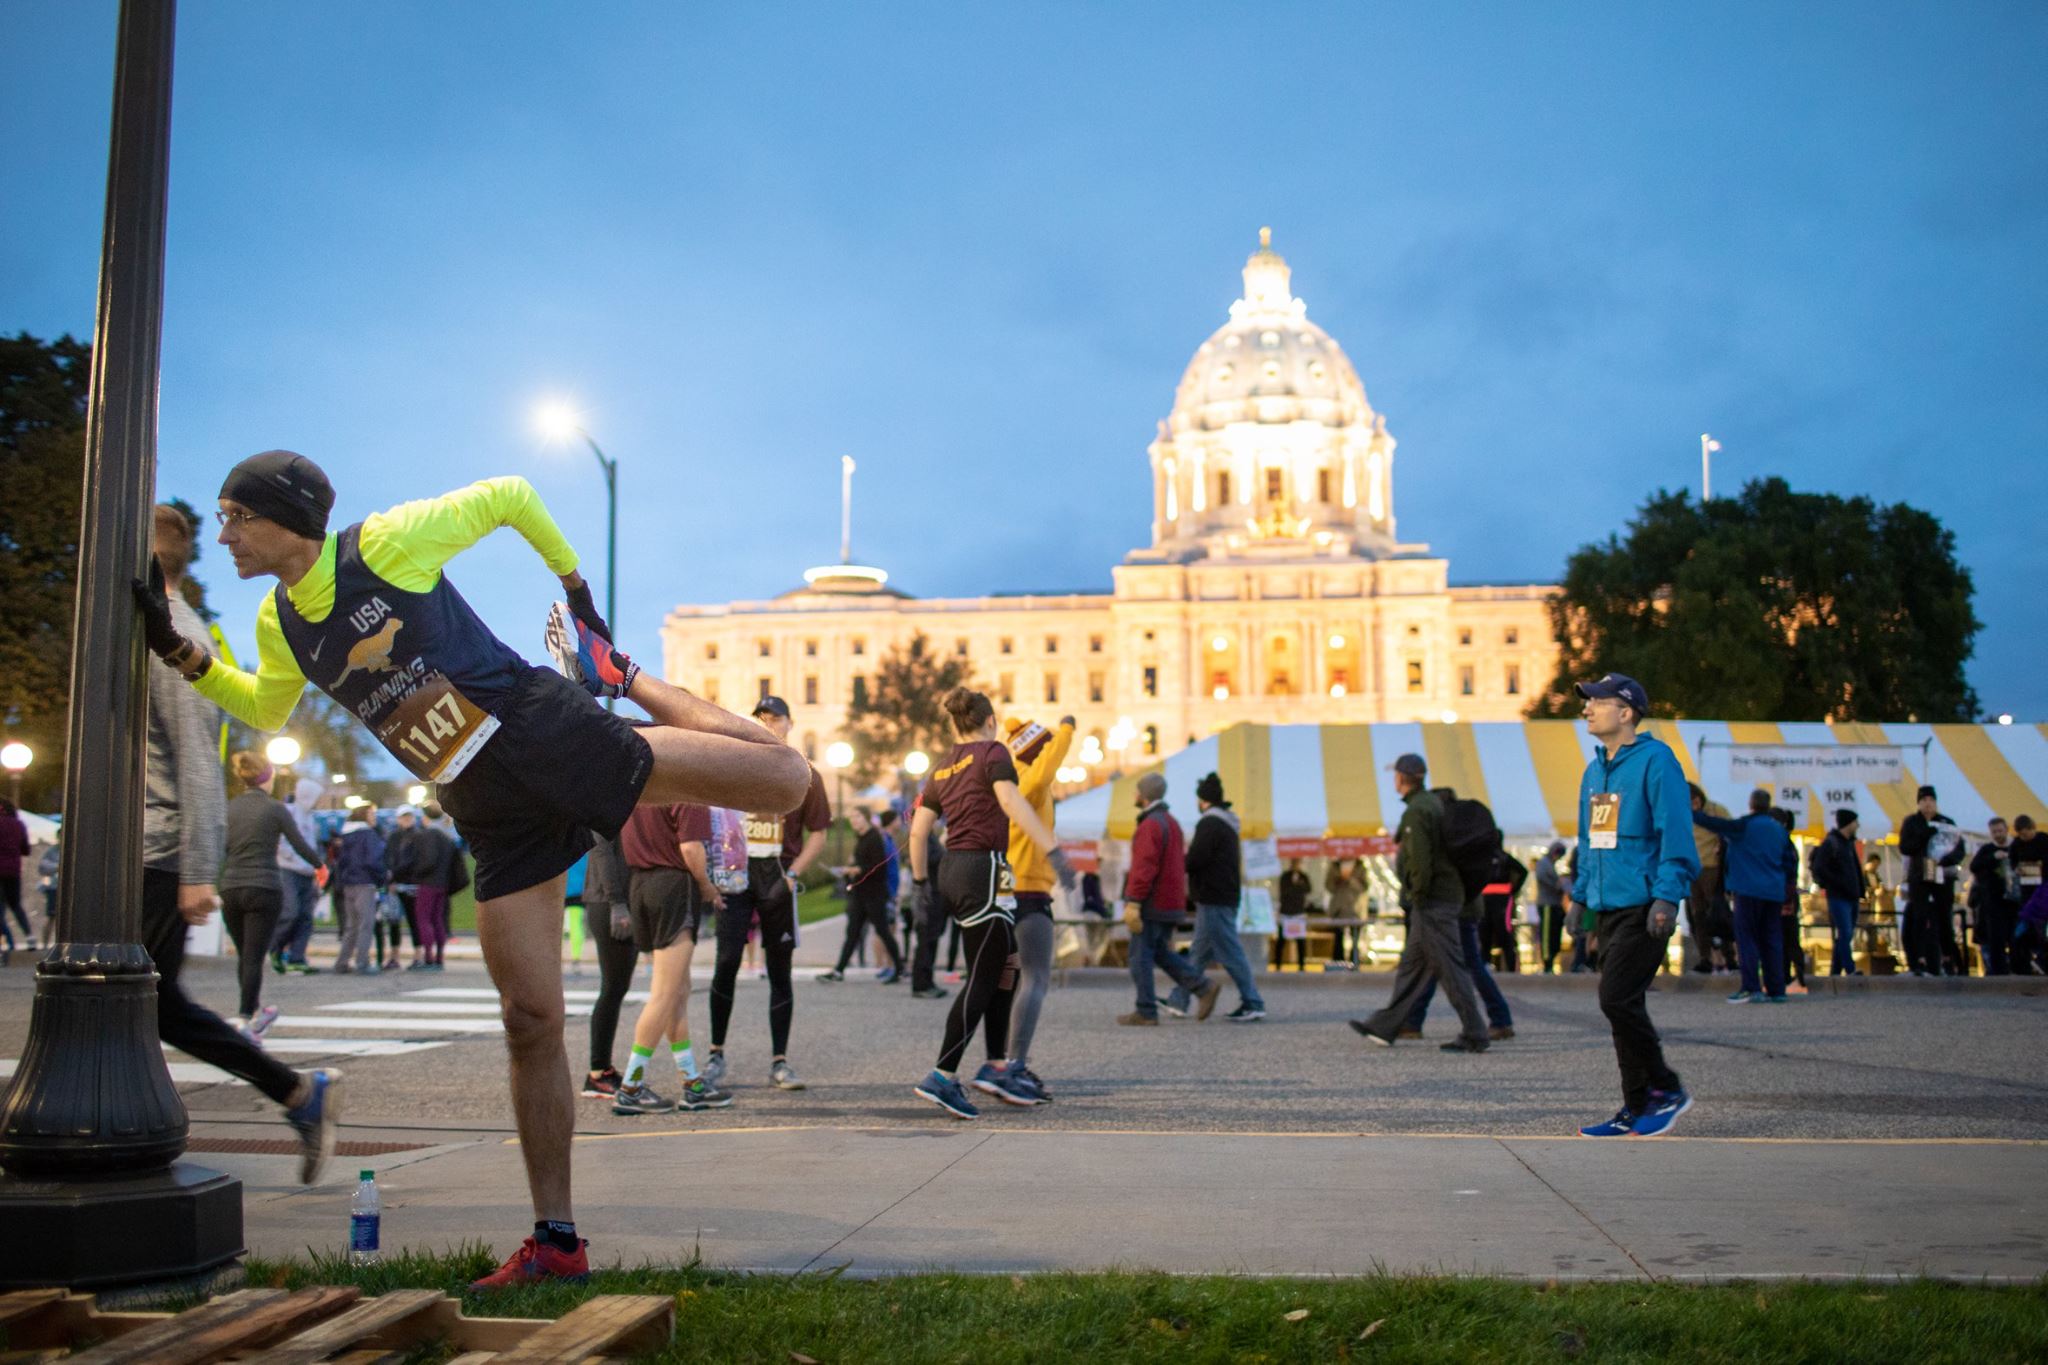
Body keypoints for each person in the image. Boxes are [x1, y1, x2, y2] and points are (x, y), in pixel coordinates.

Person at [137, 452, 809, 1288]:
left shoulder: (382, 545)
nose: (227, 534)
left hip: (540, 735)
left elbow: (509, 497)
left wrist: (576, 594)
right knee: (528, 1017)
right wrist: (185, 657)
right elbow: (265, 704)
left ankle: (620, 674)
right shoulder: (279, 622)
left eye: (238, 515)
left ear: (285, 516)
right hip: (481, 804)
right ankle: (556, 1241)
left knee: (786, 779)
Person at [137, 502, 341, 1183]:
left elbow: (197, 755)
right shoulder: (146, 627)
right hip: (135, 848)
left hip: (156, 849)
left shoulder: (173, 632)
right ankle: (292, 1093)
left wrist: (198, 869)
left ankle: (294, 1092)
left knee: (148, 1001)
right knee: (145, 1001)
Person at [908, 687, 1074, 1116]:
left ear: (952, 725)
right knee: (983, 977)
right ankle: (942, 1075)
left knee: (1006, 965)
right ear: (990, 721)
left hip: (955, 870)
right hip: (985, 869)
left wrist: (921, 881)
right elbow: (1010, 801)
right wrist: (1051, 848)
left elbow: (918, 829)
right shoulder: (993, 754)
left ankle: (996, 1063)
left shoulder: (943, 765)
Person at [1569, 674, 1699, 1138]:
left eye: (1596, 702)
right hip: (1606, 904)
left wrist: (1667, 895)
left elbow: (1676, 834)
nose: (1585, 709)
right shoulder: (1595, 770)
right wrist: (1580, 898)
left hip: (1645, 904)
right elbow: (1589, 841)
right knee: (1622, 1005)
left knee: (1616, 998)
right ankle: (1636, 1105)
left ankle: (1666, 1087)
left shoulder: (1657, 761)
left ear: (1626, 712)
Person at [700, 695, 829, 1095]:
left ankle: (780, 1061)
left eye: (776, 719)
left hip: (776, 874)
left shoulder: (806, 772)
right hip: (738, 875)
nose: (769, 724)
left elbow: (819, 833)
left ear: (790, 723)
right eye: (762, 718)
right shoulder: (738, 764)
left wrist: (793, 874)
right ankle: (715, 1053)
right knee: (726, 963)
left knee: (780, 969)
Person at [1348, 753, 1487, 1052]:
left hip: (1434, 901)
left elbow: (1421, 862)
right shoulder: (1432, 804)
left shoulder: (1416, 811)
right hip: (1441, 898)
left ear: (1401, 778)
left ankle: (1475, 1031)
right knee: (1412, 966)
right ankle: (1385, 1025)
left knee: (1451, 968)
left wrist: (1417, 896)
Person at [612, 798, 732, 1114]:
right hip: (674, 886)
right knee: (665, 995)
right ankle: (631, 1088)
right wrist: (708, 888)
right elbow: (691, 849)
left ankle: (691, 1082)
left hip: (641, 884)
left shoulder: (641, 791)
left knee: (677, 992)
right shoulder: (687, 793)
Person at [992, 715, 1074, 1096]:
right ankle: (1014, 1066)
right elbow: (1044, 772)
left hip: (1008, 888)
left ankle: (998, 1063)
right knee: (1036, 978)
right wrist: (1067, 729)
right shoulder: (1030, 781)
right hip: (1029, 890)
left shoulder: (1008, 784)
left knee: (1006, 981)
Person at [219, 750, 323, 1034]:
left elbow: (222, 846)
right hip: (264, 885)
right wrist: (320, 866)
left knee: (245, 955)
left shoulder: (229, 807)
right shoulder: (276, 809)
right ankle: (245, 1017)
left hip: (232, 886)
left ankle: (254, 1010)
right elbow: (299, 844)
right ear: (268, 778)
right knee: (254, 956)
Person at [1117, 771, 1219, 1027]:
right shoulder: (1171, 822)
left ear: (1143, 795)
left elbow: (1144, 866)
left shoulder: (1150, 824)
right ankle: (1202, 987)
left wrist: (1134, 900)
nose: (1134, 795)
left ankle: (1146, 1010)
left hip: (1152, 902)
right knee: (1160, 952)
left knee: (1139, 956)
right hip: (1171, 901)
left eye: (1136, 790)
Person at [1165, 771, 1266, 1023]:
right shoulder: (1227, 824)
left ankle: (1253, 1001)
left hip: (1214, 897)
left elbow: (1197, 859)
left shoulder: (1210, 824)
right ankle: (1179, 999)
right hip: (1223, 895)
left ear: (1202, 801)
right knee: (1199, 951)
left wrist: (1177, 866)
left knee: (1230, 951)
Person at [1691, 790, 1798, 1002]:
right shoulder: (1779, 831)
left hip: (1748, 890)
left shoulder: (1743, 826)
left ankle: (1751, 987)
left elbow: (1714, 824)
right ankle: (1777, 989)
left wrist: (1691, 813)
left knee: (1747, 938)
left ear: (1750, 804)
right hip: (1774, 892)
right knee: (1772, 939)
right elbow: (1790, 863)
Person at [578, 835, 637, 1099]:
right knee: (613, 988)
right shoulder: (607, 803)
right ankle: (598, 1072)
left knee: (617, 987)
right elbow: (602, 851)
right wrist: (617, 903)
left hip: (616, 901)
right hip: (608, 903)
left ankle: (603, 1068)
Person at [822, 807, 904, 982]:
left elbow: (877, 867)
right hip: (860, 893)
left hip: (873, 894)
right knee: (852, 932)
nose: (853, 820)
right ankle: (839, 970)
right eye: (851, 817)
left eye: (857, 816)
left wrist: (854, 869)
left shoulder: (874, 838)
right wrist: (850, 869)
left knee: (883, 931)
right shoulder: (861, 838)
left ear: (866, 818)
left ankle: (899, 968)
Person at [1896, 786, 1965, 977]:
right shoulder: (1912, 822)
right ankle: (1919, 959)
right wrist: (1923, 836)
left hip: (1942, 875)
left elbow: (1959, 848)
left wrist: (1947, 860)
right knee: (1919, 915)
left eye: (1931, 800)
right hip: (1920, 875)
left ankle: (1948, 957)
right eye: (1924, 800)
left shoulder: (1946, 823)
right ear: (1919, 803)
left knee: (1944, 917)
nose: (1927, 804)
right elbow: (1905, 847)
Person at [268, 777, 325, 974]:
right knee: (290, 912)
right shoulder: (289, 812)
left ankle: (297, 957)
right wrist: (293, 858)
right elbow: (281, 842)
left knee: (305, 917)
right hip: (288, 870)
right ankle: (275, 948)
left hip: (307, 873)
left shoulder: (310, 817)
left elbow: (313, 844)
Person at [1685, 784, 1738, 975]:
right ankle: (1704, 958)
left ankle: (1729, 957)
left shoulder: (1716, 811)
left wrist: (1722, 847)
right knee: (1697, 915)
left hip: (1713, 869)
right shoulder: (1682, 813)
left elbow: (1731, 830)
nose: (1694, 805)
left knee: (1719, 914)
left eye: (1696, 801)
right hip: (1692, 870)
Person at [1808, 809, 1867, 976]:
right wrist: (1837, 883)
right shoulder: (1832, 843)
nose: (1858, 825)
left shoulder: (1848, 843)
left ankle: (1835, 970)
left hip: (1850, 895)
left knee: (1845, 934)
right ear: (1849, 823)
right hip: (1839, 896)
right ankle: (1850, 969)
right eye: (1855, 822)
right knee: (1845, 932)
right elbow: (1820, 867)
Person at [334, 805, 387, 974]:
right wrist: (381, 878)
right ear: (364, 816)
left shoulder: (346, 835)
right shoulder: (369, 835)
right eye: (371, 814)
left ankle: (342, 962)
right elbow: (374, 860)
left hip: (348, 883)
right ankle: (362, 962)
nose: (374, 817)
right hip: (365, 882)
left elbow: (340, 861)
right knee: (366, 924)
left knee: (352, 926)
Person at [1968, 817, 2021, 977]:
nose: (1998, 834)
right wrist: (1993, 857)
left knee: (2016, 936)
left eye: (2000, 830)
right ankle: (1999, 973)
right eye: (1994, 832)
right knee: (1995, 938)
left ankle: (2019, 969)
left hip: (2014, 900)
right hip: (1993, 900)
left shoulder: (2016, 846)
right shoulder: (1987, 850)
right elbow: (1974, 866)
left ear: (2007, 829)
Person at [382, 805, 427, 970]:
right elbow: (388, 857)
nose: (407, 820)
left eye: (409, 817)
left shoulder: (418, 836)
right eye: (404, 817)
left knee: (413, 920)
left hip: (411, 883)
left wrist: (393, 875)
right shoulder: (394, 837)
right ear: (398, 819)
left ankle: (418, 955)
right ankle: (394, 955)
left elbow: (414, 861)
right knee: (394, 921)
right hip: (397, 883)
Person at [2009, 815, 2048, 975]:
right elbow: (2013, 862)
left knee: (2041, 928)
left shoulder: (2044, 840)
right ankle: (2025, 963)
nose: (2024, 838)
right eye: (2022, 835)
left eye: (2027, 834)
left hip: (2044, 889)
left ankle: (2041, 958)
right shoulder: (2016, 845)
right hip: (2027, 891)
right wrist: (2017, 869)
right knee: (2025, 927)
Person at [0, 797, 32, 956]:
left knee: (0, 907)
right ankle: (29, 936)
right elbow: (26, 849)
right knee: (16, 904)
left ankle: (5, 943)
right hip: (13, 871)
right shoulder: (18, 824)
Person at [1533, 840, 1568, 973]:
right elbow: (1543, 878)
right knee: (1547, 933)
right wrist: (1557, 885)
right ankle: (1547, 960)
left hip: (1552, 903)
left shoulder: (1549, 864)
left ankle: (1550, 959)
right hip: (1547, 903)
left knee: (1552, 933)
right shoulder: (1544, 864)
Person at [1274, 857, 1312, 971]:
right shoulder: (1285, 877)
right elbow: (1284, 891)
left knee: (1300, 941)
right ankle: (1278, 964)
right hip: (1286, 912)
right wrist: (1295, 885)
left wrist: (1298, 884)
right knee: (1281, 940)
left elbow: (1308, 889)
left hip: (1298, 912)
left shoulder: (1303, 877)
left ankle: (1301, 965)